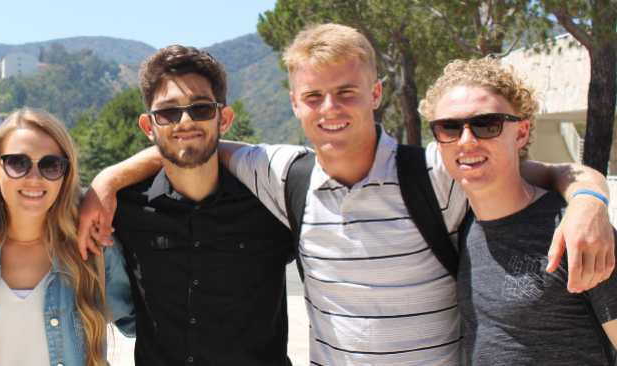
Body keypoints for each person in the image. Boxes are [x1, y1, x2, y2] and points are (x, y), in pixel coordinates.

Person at [79, 24, 615, 365]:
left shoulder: (435, 169)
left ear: (377, 93)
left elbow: (532, 171)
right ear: (294, 103)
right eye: (313, 95)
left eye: (347, 92)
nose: (329, 108)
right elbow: (191, 142)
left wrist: (591, 199)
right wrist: (107, 181)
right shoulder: (282, 173)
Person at [81, 45, 294, 365]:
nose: (185, 121)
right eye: (168, 112)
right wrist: (105, 182)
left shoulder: (273, 200)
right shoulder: (121, 210)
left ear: (224, 119)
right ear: (148, 127)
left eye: (201, 108)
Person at [419, 57, 617, 364]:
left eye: (487, 124)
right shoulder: (459, 220)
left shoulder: (577, 230)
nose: (467, 141)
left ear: (521, 134)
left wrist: (589, 198)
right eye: (449, 127)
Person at [0, 108, 134, 366]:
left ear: (64, 174)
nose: (34, 178)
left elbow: (146, 324)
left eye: (51, 165)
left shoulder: (93, 250)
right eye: (18, 163)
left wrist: (110, 178)